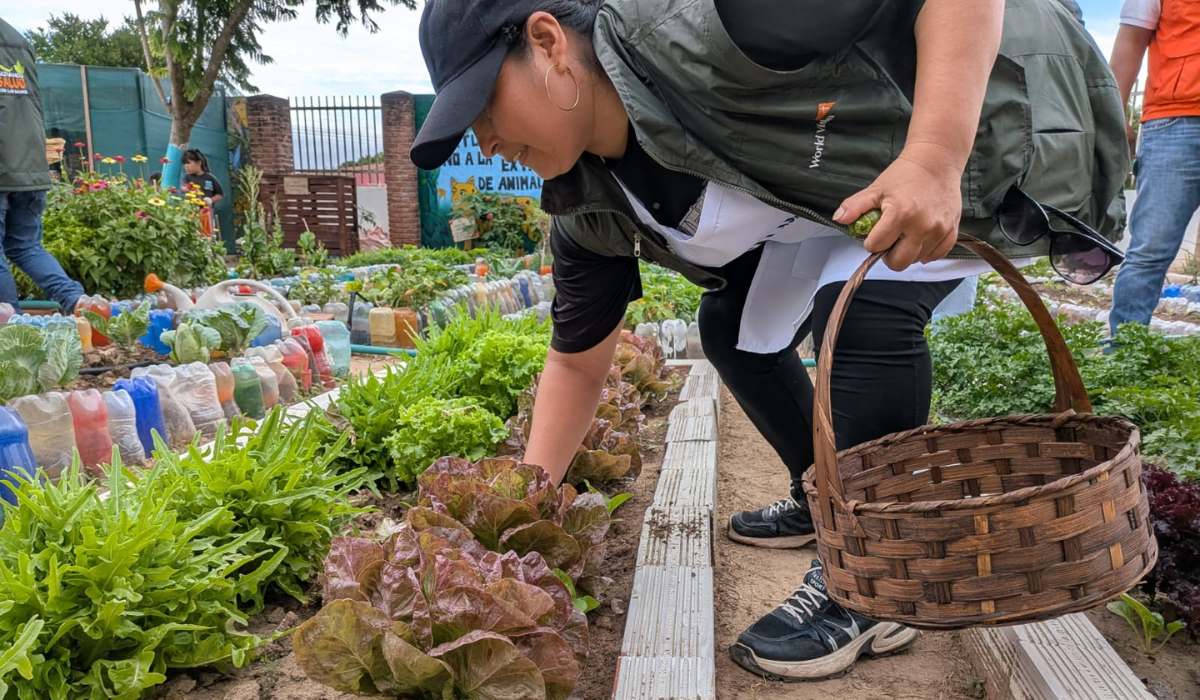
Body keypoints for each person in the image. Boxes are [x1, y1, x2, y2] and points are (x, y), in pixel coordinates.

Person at [410, 0, 1128, 682]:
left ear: (547, 44)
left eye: (483, 108)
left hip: (976, 121)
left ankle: (871, 586)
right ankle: (823, 499)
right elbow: (575, 363)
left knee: (864, 310)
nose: (487, 142)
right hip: (839, 192)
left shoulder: (718, 23)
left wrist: (935, 155)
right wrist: (528, 506)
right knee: (732, 328)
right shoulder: (588, 208)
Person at [1109, 0, 1200, 332]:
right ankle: (1124, 353)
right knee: (1150, 250)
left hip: (1173, 121)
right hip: (1174, 122)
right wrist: (1114, 112)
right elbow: (1131, 39)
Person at [0, 18, 84, 314]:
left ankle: (9, 333)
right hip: (31, 166)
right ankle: (78, 302)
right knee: (26, 246)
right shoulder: (18, 40)